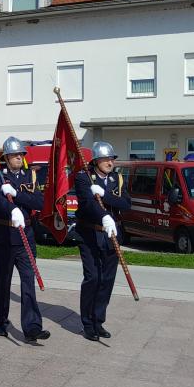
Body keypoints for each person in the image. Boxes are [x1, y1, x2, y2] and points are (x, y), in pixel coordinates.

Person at [0, 136, 49, 342]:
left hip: (25, 237)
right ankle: (1, 321)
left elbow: (38, 201)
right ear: (6, 157)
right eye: (15, 155)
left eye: (21, 154)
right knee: (1, 282)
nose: (19, 157)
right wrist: (11, 209)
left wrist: (16, 195)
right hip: (1, 237)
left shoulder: (30, 175)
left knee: (28, 280)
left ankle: (32, 327)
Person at [75, 141, 131, 341]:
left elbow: (126, 203)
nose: (110, 162)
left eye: (112, 159)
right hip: (90, 234)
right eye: (106, 159)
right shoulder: (84, 178)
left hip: (112, 235)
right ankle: (87, 323)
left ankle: (98, 321)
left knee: (107, 280)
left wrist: (105, 195)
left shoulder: (117, 179)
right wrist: (103, 215)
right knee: (93, 278)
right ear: (96, 161)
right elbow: (87, 205)